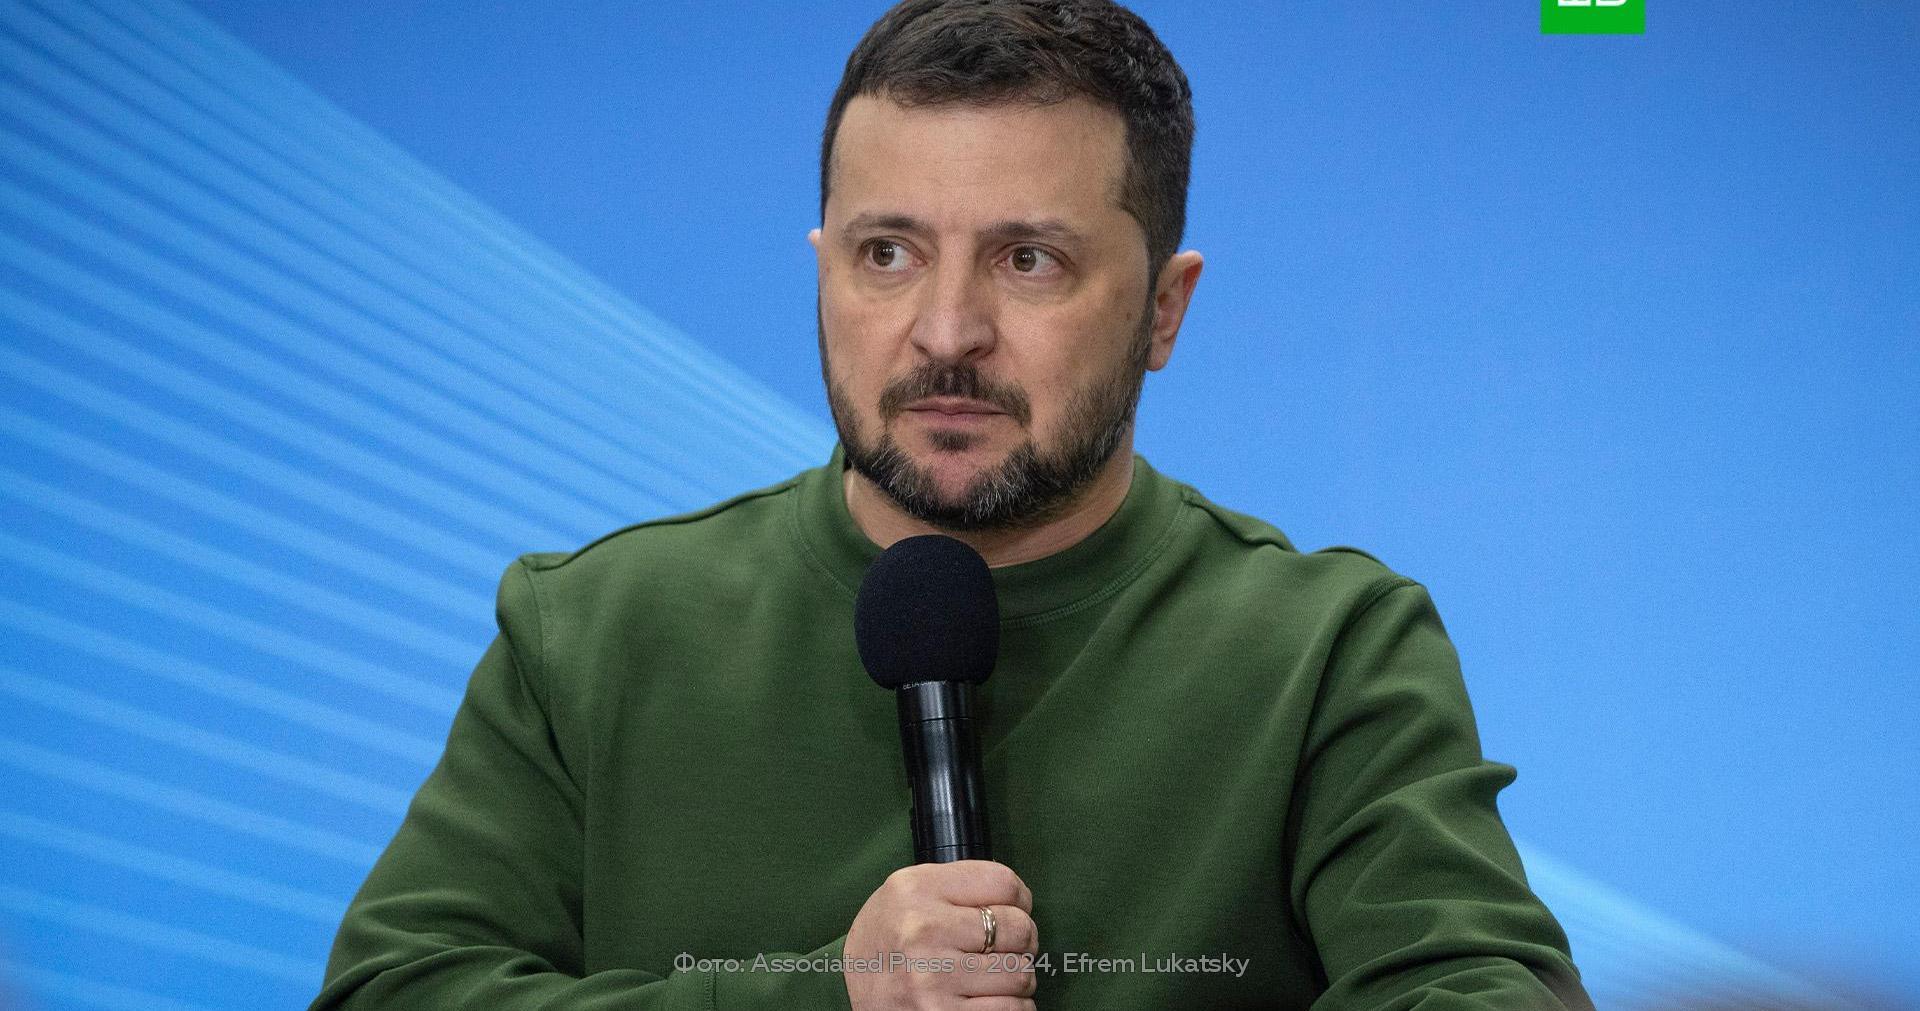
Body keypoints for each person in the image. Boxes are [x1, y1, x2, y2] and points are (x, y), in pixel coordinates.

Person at [311, 2, 1594, 1008]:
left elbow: (1479, 989)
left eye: (1028, 260)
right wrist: (824, 1001)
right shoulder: (592, 631)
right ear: (822, 269)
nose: (945, 331)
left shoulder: (1326, 651)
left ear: (1165, 310)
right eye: (889, 254)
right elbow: (395, 993)